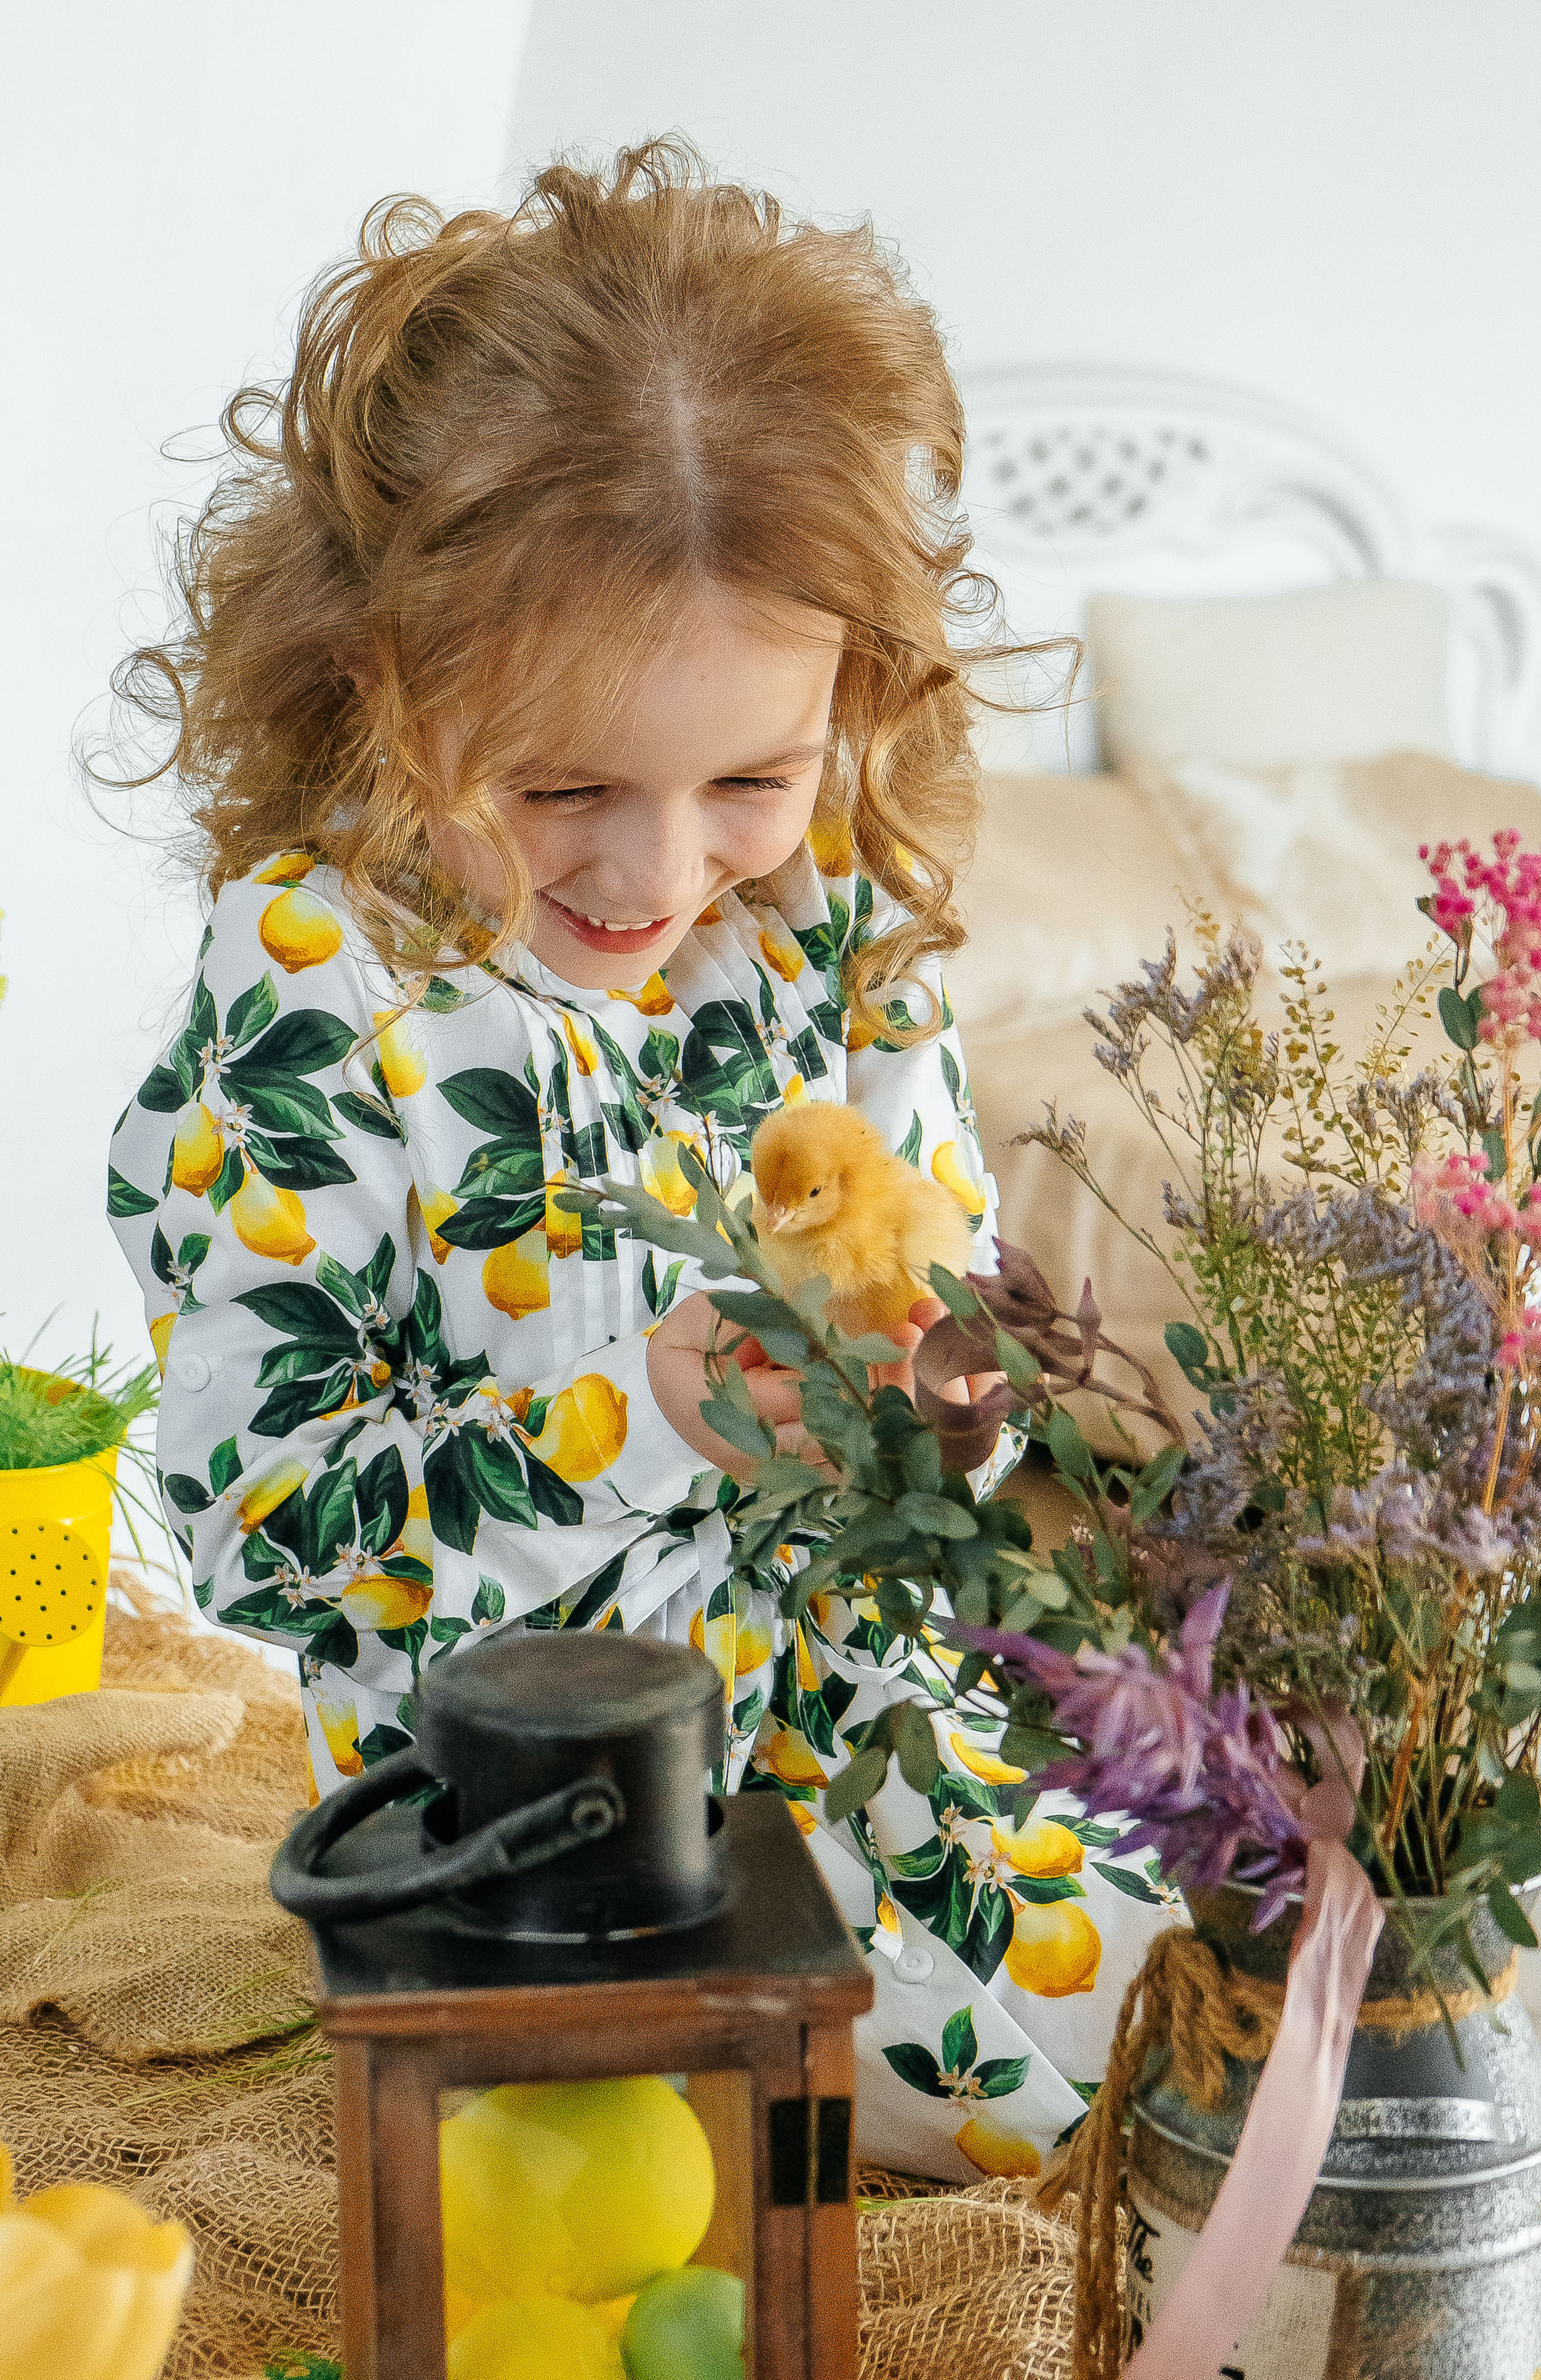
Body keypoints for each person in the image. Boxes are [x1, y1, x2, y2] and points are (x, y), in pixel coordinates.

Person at [106, 138, 1175, 2180]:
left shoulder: (826, 915)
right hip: (541, 1841)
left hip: (877, 1748)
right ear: (375, 680)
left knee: (1237, 1990)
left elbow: (933, 1290)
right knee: (1003, 2135)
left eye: (751, 775)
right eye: (560, 787)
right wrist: (643, 1415)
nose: (658, 870)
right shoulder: (323, 999)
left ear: (852, 702)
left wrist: (950, 1392)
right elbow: (267, 1530)